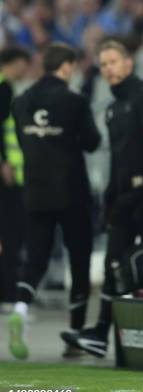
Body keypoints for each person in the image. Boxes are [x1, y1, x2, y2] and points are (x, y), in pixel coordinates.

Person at [61, 39, 143, 358]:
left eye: (113, 62)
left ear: (129, 63)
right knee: (118, 266)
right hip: (124, 200)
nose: (108, 69)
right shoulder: (113, 108)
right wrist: (109, 201)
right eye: (103, 64)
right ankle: (105, 333)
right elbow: (117, 161)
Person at [8, 43, 100, 360]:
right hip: (72, 191)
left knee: (35, 258)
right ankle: (74, 336)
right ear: (67, 66)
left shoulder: (20, 102)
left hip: (35, 191)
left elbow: (22, 139)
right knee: (79, 259)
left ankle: (20, 307)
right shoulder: (74, 101)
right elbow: (92, 142)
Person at [0, 46, 30, 311]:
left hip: (10, 172)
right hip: (8, 176)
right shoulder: (4, 88)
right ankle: (8, 294)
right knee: (11, 235)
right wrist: (4, 163)